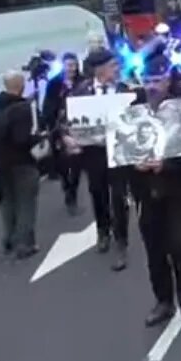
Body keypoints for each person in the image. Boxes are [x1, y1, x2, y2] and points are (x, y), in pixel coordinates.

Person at [129, 55, 181, 330]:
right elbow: (119, 152)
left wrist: (168, 164)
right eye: (147, 80)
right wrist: (132, 164)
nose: (151, 86)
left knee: (180, 248)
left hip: (176, 191)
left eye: (157, 80)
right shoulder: (131, 111)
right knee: (154, 251)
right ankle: (163, 301)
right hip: (145, 193)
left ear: (168, 81)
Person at [66, 48, 134, 271]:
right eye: (113, 66)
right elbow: (65, 121)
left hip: (119, 151)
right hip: (93, 153)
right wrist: (68, 137)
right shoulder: (80, 92)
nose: (117, 69)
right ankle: (102, 230)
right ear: (100, 69)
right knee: (97, 193)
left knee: (119, 196)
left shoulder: (125, 90)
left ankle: (121, 242)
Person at [0, 71, 43, 259]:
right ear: (21, 85)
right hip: (22, 163)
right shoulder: (22, 109)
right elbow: (22, 139)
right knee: (26, 204)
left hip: (2, 163)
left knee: (9, 202)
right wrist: (38, 137)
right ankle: (25, 244)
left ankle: (7, 240)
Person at [42, 53, 83, 210]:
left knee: (77, 163)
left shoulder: (83, 81)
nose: (71, 68)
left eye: (73, 65)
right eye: (68, 65)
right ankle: (66, 184)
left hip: (78, 127)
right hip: (59, 128)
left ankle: (73, 191)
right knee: (62, 163)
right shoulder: (54, 84)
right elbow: (48, 105)